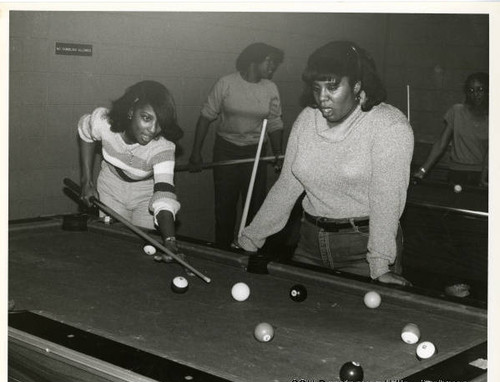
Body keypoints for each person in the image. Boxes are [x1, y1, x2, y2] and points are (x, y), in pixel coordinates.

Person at [238, 41, 414, 286]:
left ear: (356, 85)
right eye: (316, 87)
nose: (322, 98)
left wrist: (380, 264)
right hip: (309, 242)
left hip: (363, 249)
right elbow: (287, 185)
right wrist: (250, 239)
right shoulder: (307, 119)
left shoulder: (389, 126)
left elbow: (387, 200)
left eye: (332, 87)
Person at [188, 42, 285, 249]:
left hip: (255, 152)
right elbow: (206, 117)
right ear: (254, 59)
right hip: (226, 151)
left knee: (255, 207)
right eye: (270, 61)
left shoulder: (270, 88)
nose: (273, 67)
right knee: (225, 206)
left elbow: (275, 124)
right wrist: (195, 153)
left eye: (275, 64)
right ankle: (223, 251)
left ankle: (249, 251)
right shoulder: (226, 83)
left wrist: (279, 154)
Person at [78, 80, 184, 258]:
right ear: (130, 111)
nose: (153, 130)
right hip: (111, 186)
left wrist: (170, 241)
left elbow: (164, 196)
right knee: (112, 248)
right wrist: (86, 181)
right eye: (146, 118)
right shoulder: (103, 123)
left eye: (160, 123)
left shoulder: (163, 148)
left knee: (145, 251)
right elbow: (84, 131)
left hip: (146, 196)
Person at [413, 72, 489, 186]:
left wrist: (484, 178)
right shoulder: (456, 111)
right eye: (471, 90)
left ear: (488, 91)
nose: (476, 94)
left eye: (480, 89)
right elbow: (440, 144)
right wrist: (422, 171)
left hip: (481, 174)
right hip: (456, 173)